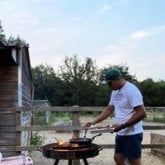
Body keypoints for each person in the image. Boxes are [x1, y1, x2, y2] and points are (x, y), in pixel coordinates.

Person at [84, 68, 146, 165]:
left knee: (134, 161)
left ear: (118, 79)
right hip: (121, 132)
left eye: (110, 83)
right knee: (118, 158)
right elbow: (109, 109)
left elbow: (142, 113)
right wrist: (93, 122)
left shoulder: (131, 91)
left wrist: (122, 126)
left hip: (132, 134)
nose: (109, 86)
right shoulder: (115, 91)